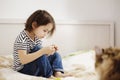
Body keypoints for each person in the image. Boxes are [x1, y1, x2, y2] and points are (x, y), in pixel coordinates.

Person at [13, 10, 65, 78]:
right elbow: (23, 60)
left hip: (34, 65)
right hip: (23, 69)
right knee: (38, 49)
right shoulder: (22, 38)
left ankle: (57, 72)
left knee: (55, 55)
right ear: (34, 25)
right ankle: (49, 75)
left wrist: (49, 51)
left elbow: (41, 57)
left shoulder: (37, 37)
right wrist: (42, 51)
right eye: (44, 31)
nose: (46, 34)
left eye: (48, 32)